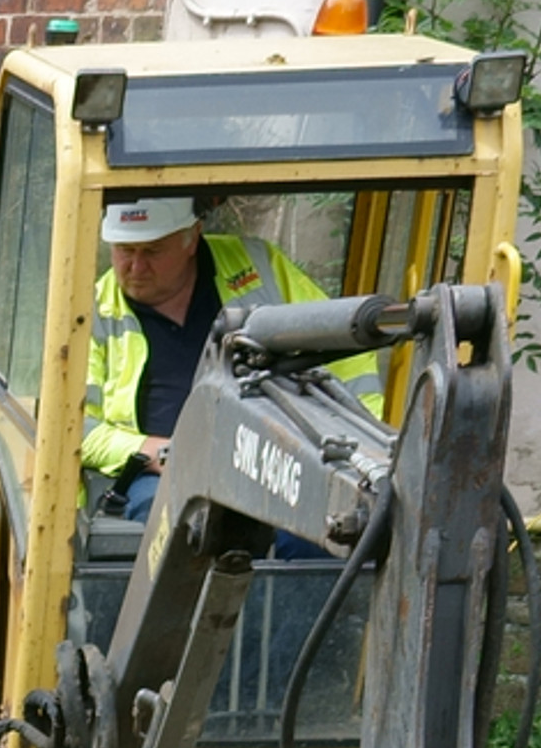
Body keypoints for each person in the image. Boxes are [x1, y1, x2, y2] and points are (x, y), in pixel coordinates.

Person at [84, 196, 375, 524]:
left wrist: (361, 446)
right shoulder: (91, 312)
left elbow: (344, 349)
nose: (136, 268)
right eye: (125, 250)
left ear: (192, 238)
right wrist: (151, 451)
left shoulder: (259, 268)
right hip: (157, 474)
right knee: (171, 522)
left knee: (320, 529)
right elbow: (76, 427)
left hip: (271, 461)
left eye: (152, 251)